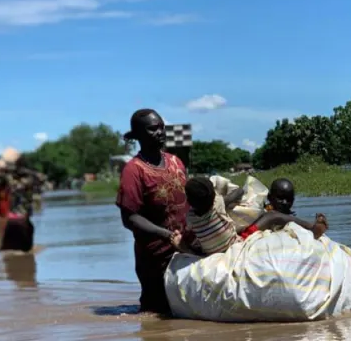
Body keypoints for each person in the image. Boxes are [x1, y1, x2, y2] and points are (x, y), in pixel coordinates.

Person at [116, 108, 200, 315]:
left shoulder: (176, 161)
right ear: (138, 135)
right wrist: (167, 235)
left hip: (186, 250)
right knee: (156, 315)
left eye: (162, 127)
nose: (160, 132)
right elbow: (130, 218)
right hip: (155, 259)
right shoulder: (133, 171)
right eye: (153, 129)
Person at [183, 177, 329, 256]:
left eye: (288, 199)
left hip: (210, 250)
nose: (284, 203)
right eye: (280, 198)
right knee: (272, 216)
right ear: (270, 197)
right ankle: (312, 227)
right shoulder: (218, 205)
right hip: (236, 243)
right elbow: (239, 192)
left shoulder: (190, 216)